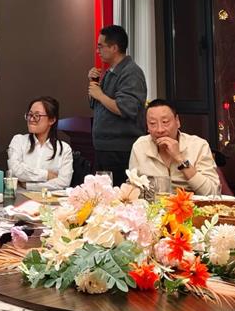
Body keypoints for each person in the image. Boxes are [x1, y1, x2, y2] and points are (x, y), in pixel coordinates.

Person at [88, 25, 147, 187]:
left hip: (120, 149)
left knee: (119, 195)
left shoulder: (131, 72)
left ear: (114, 48)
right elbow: (96, 104)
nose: (98, 51)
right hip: (104, 146)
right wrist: (94, 84)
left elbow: (125, 108)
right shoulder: (109, 71)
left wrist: (100, 94)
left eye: (101, 46)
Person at [129, 98, 221, 196]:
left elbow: (213, 193)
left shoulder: (199, 146)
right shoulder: (140, 146)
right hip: (153, 204)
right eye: (152, 123)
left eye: (165, 122)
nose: (160, 130)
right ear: (147, 126)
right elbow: (133, 189)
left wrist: (180, 159)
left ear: (177, 121)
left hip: (190, 204)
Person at [7, 96, 73, 191]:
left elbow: (63, 183)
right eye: (30, 114)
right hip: (21, 198)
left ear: (52, 120)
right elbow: (15, 170)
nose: (31, 119)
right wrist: (47, 175)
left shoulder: (64, 149)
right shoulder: (19, 141)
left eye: (37, 115)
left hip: (51, 199)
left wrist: (27, 185)